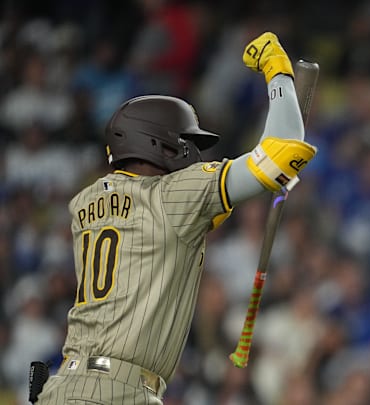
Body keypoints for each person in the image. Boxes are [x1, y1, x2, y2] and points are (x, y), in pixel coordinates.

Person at [33, 31, 317, 404]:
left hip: (65, 387)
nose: (194, 155)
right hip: (118, 392)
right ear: (161, 144)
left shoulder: (84, 204)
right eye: (188, 143)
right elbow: (283, 154)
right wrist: (278, 73)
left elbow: (163, 230)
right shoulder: (172, 195)